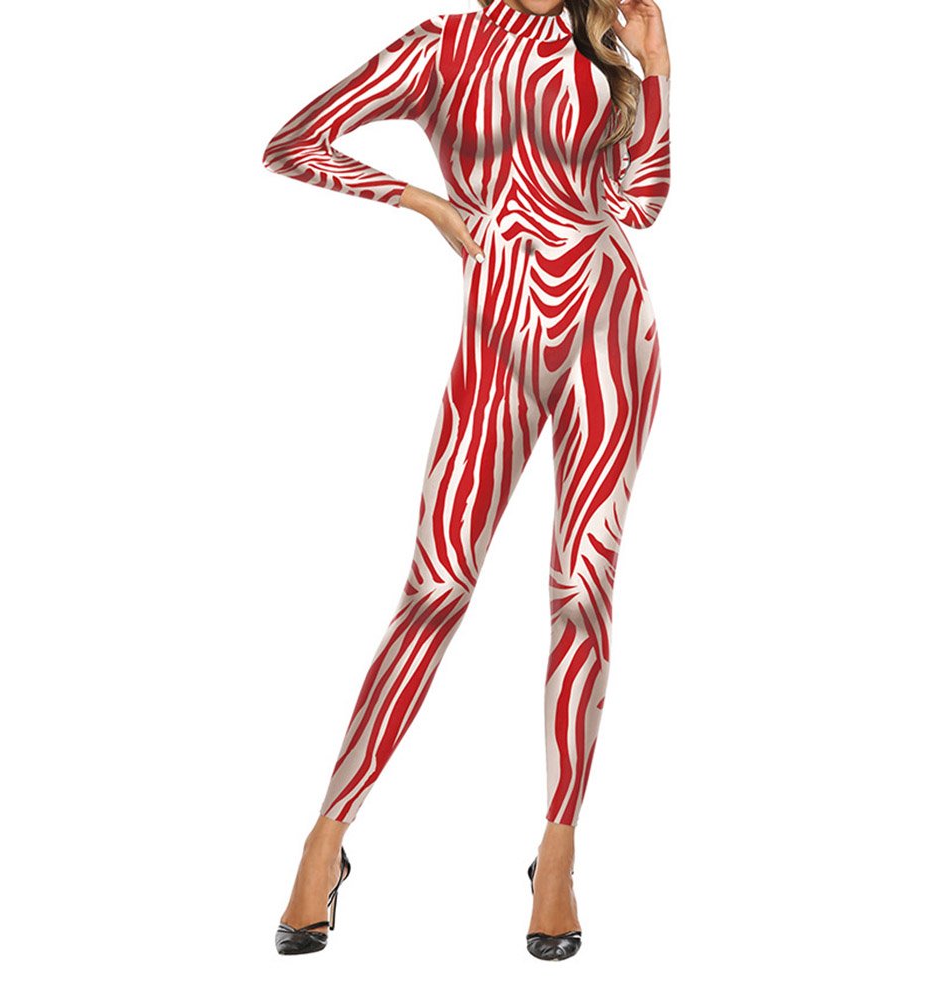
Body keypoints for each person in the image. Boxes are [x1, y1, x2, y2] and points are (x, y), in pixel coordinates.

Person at [262, 0, 670, 960]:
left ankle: (557, 851)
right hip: (498, 340)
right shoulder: (444, 45)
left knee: (583, 589)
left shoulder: (602, 41)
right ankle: (327, 835)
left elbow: (642, 204)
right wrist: (429, 205)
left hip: (611, 330)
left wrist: (655, 74)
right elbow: (293, 143)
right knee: (436, 587)